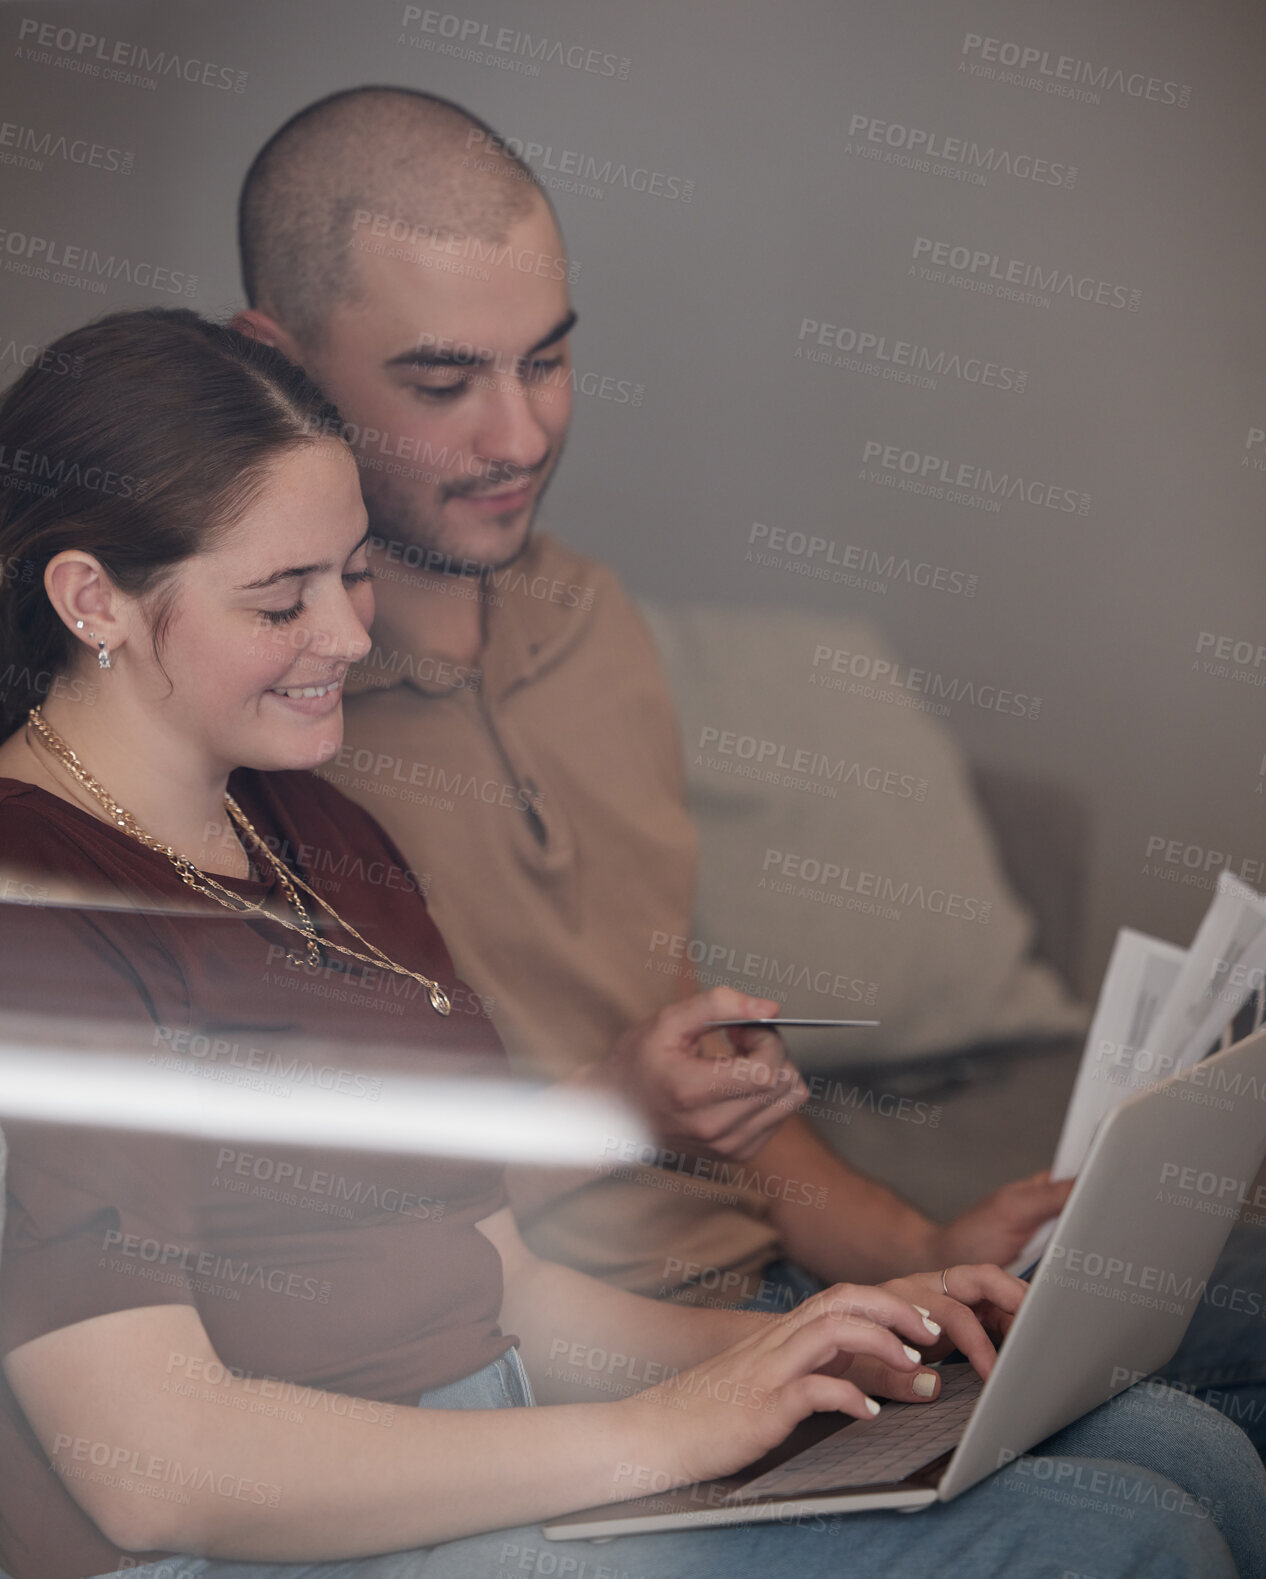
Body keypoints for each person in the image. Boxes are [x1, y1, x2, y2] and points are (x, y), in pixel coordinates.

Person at [0, 309, 1261, 1579]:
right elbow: (151, 1465)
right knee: (1129, 1531)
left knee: (1183, 1448)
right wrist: (660, 1431)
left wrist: (816, 1340)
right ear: (91, 597)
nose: (348, 634)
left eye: (354, 573)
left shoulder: (314, 828)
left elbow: (510, 1295)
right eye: (283, 598)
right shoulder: (34, 916)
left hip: (513, 1443)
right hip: (305, 1532)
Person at [232, 85, 1074, 1310]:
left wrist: (920, 1249)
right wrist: (614, 1110)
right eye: (442, 382)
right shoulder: (259, 727)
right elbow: (305, 1233)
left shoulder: (591, 620)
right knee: (1151, 1493)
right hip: (558, 1360)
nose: (519, 436)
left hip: (766, 1290)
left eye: (549, 359)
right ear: (275, 363)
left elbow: (702, 1078)